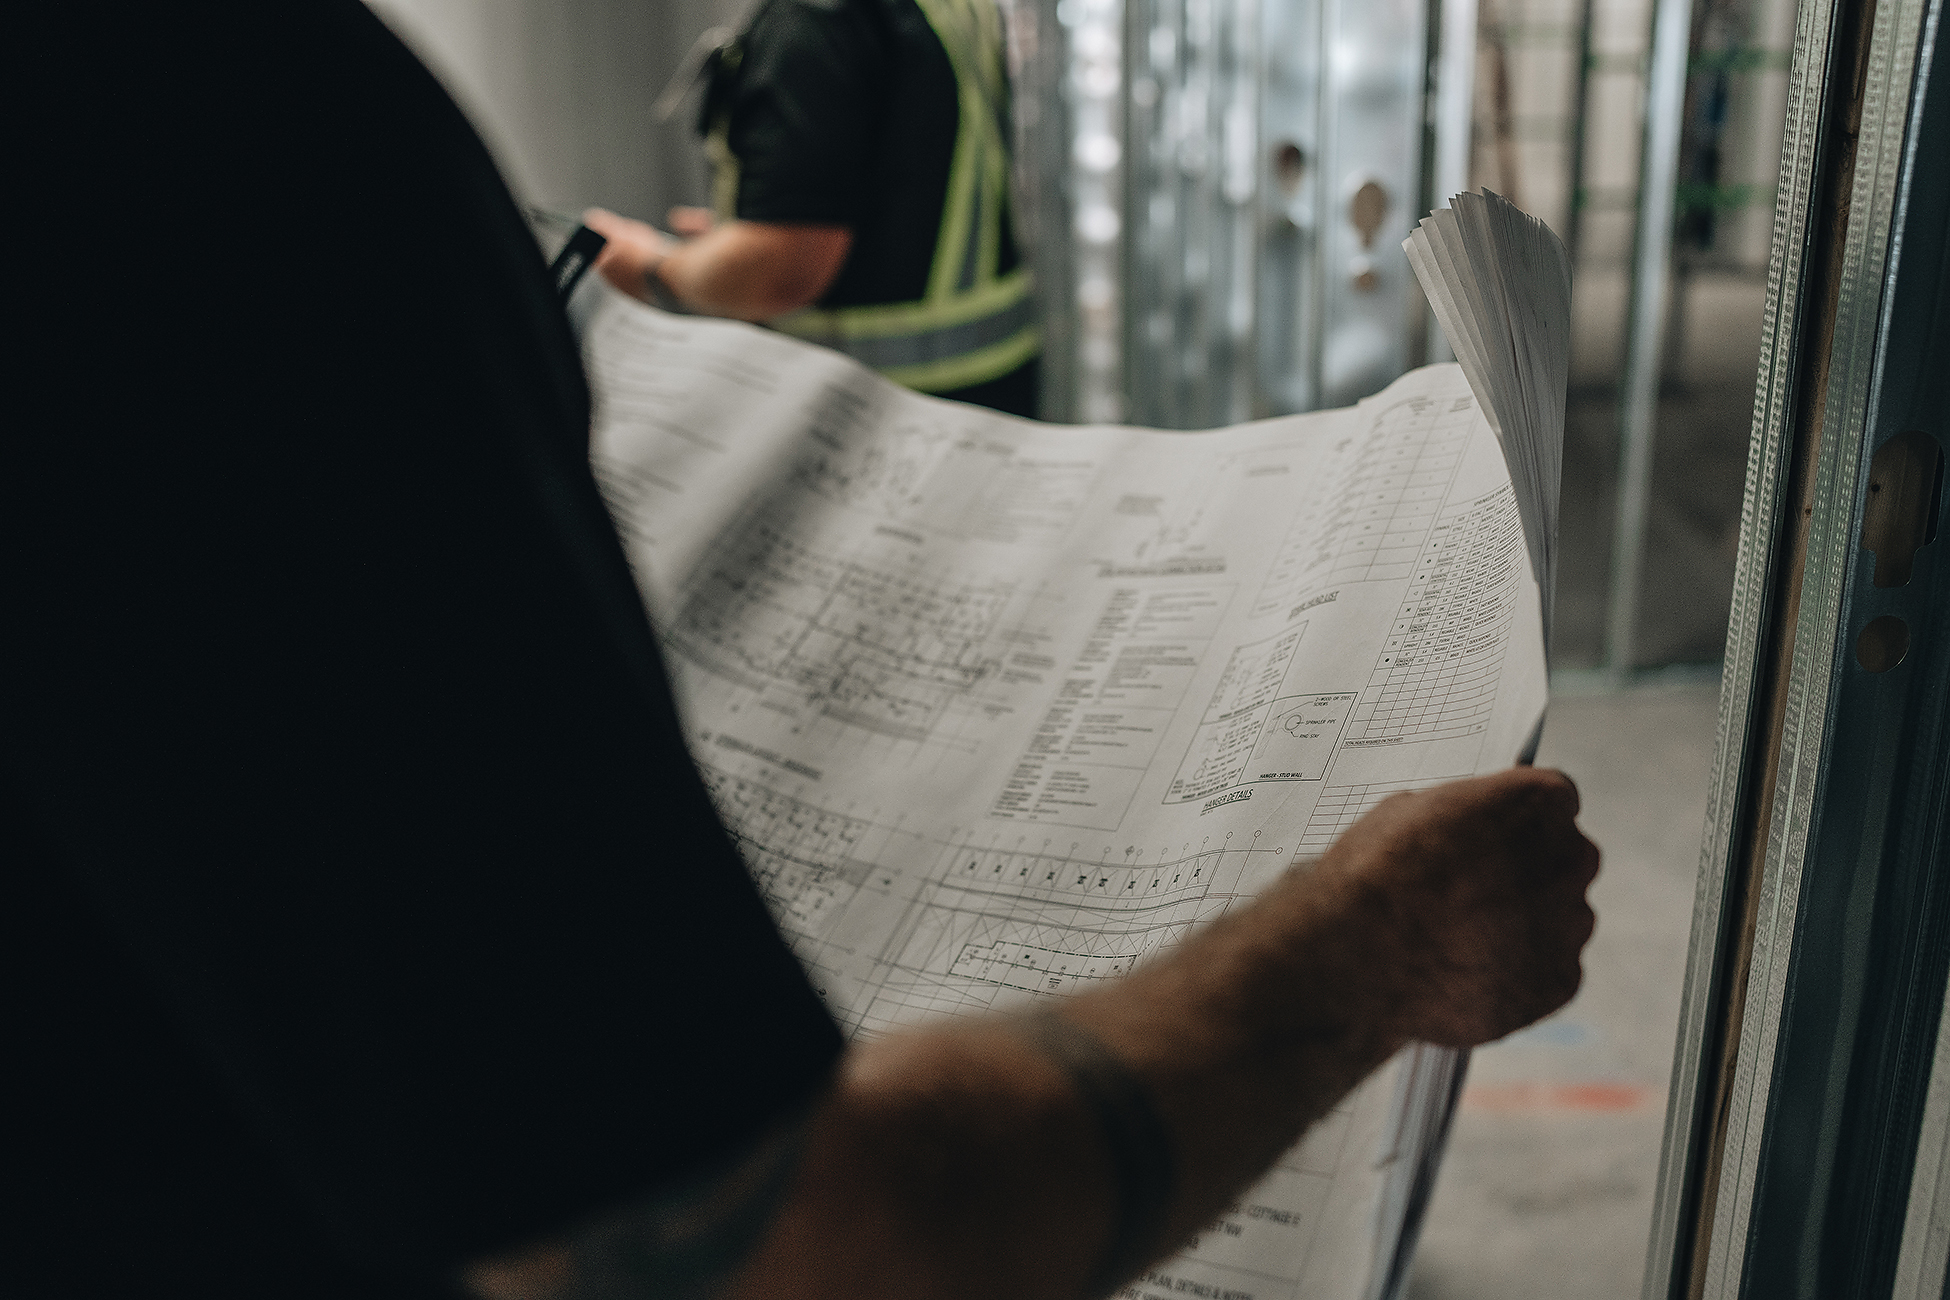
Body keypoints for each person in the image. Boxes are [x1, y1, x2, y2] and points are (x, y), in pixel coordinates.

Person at [6, 4, 1596, 1299]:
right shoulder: (185, 125)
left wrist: (649, 264)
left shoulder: (184, 130)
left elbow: (784, 265)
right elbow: (785, 1248)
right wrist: (1375, 944)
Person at [583, 0, 1042, 418]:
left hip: (874, 409)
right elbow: (911, 169)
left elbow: (783, 270)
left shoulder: (817, 15)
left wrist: (648, 267)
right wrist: (740, 237)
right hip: (988, 390)